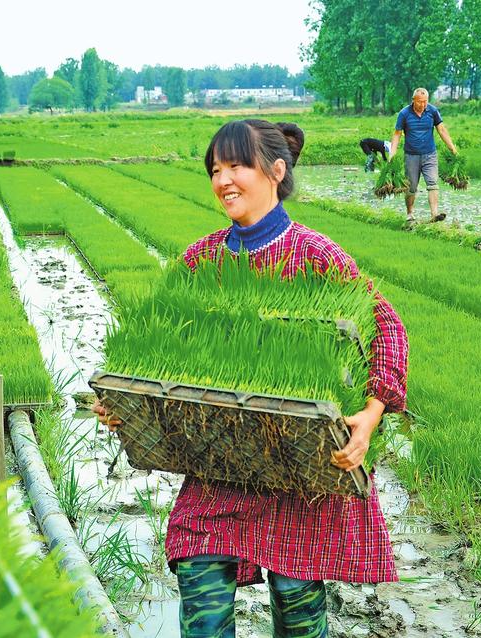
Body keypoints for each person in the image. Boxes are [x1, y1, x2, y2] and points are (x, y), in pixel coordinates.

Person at [94, 119, 409, 638]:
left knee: (298, 607)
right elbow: (154, 345)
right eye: (216, 170)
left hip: (298, 473)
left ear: (275, 170)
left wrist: (370, 414)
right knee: (199, 583)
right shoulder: (203, 259)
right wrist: (126, 405)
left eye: (236, 165)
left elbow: (387, 329)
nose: (224, 180)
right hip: (221, 464)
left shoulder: (316, 256)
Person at [388, 88, 458, 225]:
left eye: (425, 101)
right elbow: (397, 134)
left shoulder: (432, 111)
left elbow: (442, 130)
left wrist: (453, 149)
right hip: (411, 156)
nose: (423, 104)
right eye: (420, 102)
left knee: (432, 183)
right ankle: (409, 213)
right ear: (413, 100)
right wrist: (392, 153)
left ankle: (434, 214)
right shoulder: (404, 113)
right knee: (411, 187)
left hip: (430, 154)